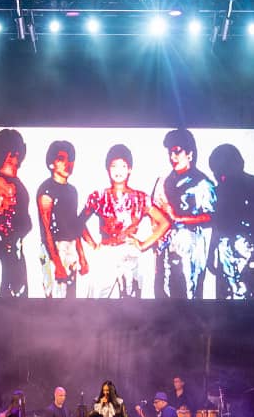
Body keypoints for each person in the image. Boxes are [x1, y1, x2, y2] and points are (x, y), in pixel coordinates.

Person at [75, 145, 171, 299]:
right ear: (108, 169)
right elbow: (78, 222)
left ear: (129, 169)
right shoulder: (98, 196)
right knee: (94, 301)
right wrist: (93, 244)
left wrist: (143, 244)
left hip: (131, 255)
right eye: (114, 166)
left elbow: (165, 222)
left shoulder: (140, 198)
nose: (118, 170)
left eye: (123, 166)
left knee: (131, 304)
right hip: (107, 253)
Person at [153, 127, 216, 299]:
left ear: (190, 154)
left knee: (189, 297)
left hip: (190, 249)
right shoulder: (164, 181)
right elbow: (154, 212)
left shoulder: (202, 183)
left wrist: (179, 218)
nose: (172, 157)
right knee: (163, 296)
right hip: (165, 248)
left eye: (177, 152)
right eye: (169, 153)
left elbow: (212, 217)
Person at [205, 143, 254, 300]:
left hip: (249, 253)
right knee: (224, 302)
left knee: (248, 300)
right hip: (225, 255)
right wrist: (211, 252)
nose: (219, 175)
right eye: (216, 171)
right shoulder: (219, 191)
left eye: (222, 169)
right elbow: (217, 224)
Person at [0, 129, 31, 298]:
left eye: (18, 152)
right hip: (0, 255)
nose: (17, 157)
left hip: (15, 252)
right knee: (0, 298)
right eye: (13, 152)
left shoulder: (16, 182)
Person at [35, 139, 81, 298]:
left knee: (71, 297)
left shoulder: (73, 191)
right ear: (51, 163)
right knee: (54, 298)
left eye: (71, 159)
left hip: (71, 249)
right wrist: (57, 263)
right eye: (61, 159)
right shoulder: (46, 190)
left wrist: (81, 255)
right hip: (54, 248)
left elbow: (75, 225)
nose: (67, 164)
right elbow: (46, 228)